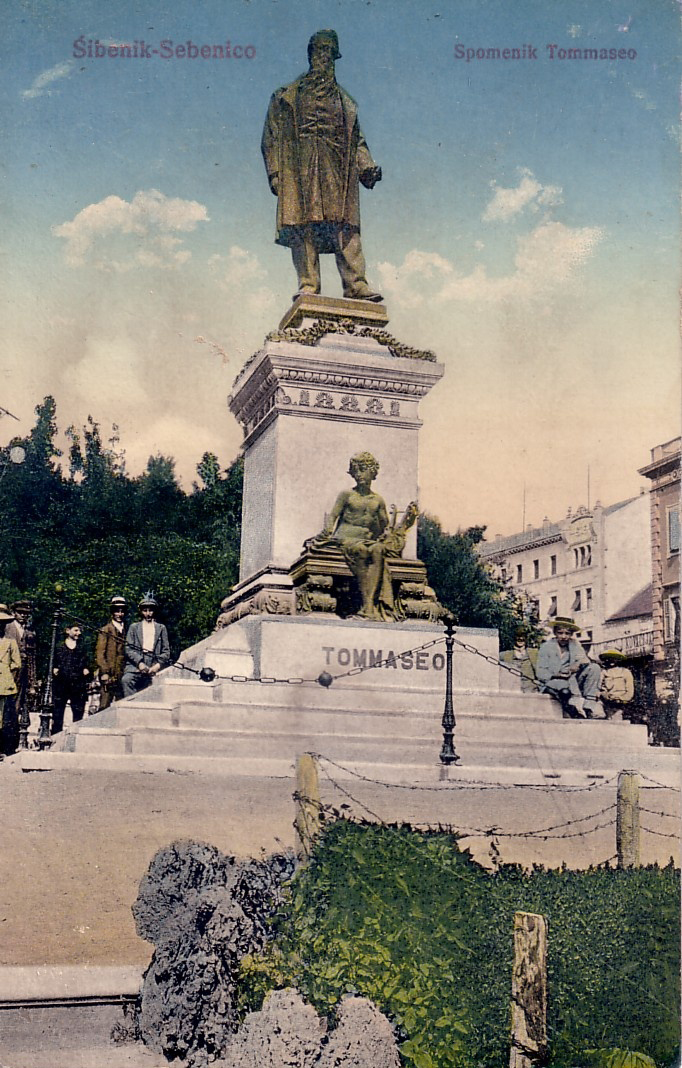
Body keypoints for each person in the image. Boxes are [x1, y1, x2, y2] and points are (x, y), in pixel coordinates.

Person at [262, 29, 383, 302]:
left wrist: (366, 167)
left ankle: (357, 285)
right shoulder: (285, 97)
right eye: (319, 50)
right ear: (310, 54)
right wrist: (275, 174)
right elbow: (270, 136)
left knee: (345, 226)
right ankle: (308, 284)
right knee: (303, 224)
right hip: (299, 168)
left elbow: (357, 139)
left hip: (337, 169)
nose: (324, 56)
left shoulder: (345, 102)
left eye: (329, 52)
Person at [307, 452, 417, 621]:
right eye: (355, 470)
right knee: (362, 550)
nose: (359, 474)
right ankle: (368, 608)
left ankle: (369, 607)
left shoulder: (378, 500)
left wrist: (399, 528)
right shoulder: (347, 495)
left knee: (378, 549)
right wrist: (327, 531)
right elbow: (333, 516)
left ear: (373, 472)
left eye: (363, 469)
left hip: (367, 541)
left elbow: (384, 528)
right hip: (345, 539)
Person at [536, 617, 603, 718]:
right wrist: (557, 674)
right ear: (555, 633)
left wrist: (578, 664)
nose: (564, 636)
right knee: (564, 688)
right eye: (560, 633)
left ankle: (589, 706)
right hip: (554, 681)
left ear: (571, 634)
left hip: (572, 679)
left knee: (595, 668)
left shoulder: (575, 644)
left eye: (567, 633)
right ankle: (574, 709)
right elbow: (540, 671)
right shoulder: (546, 647)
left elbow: (585, 660)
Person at [121, 593, 171, 698]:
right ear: (141, 611)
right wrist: (140, 663)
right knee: (126, 680)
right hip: (136, 665)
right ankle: (131, 708)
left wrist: (157, 665)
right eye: (145, 610)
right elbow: (128, 648)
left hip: (154, 663)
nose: (148, 614)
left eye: (150, 610)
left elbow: (166, 651)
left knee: (157, 688)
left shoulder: (161, 628)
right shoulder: (134, 627)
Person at [4, 599, 38, 752]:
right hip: (8, 673)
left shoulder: (30, 632)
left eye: (26, 613)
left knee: (18, 709)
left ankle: (12, 745)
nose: (23, 616)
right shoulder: (7, 628)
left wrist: (33, 682)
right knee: (7, 709)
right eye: (20, 613)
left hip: (23, 676)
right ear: (14, 613)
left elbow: (32, 659)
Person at [51, 622, 91, 735]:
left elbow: (89, 662)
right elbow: (52, 662)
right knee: (58, 711)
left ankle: (76, 735)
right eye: (76, 630)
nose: (79, 633)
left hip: (77, 683)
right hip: (61, 683)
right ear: (68, 631)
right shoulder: (59, 646)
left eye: (79, 631)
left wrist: (87, 669)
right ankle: (56, 736)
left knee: (78, 711)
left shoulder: (82, 647)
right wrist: (54, 669)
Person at [95, 596, 127, 711]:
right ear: (112, 612)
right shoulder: (106, 630)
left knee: (121, 705)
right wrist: (104, 672)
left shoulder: (127, 630)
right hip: (109, 673)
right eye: (117, 611)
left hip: (122, 673)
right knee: (104, 705)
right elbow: (100, 653)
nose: (120, 614)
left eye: (122, 611)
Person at [0, 605, 21, 758]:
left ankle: (3, 748)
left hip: (4, 683)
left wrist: (6, 670)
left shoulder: (10, 641)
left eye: (2, 623)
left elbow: (17, 663)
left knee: (4, 717)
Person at [598, 650, 635, 720]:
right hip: (608, 703)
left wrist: (621, 699)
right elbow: (601, 688)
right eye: (609, 658)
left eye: (614, 658)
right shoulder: (604, 672)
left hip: (621, 704)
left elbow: (630, 691)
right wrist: (606, 696)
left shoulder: (625, 672)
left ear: (618, 659)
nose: (611, 660)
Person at [500, 628, 539, 692]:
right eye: (518, 636)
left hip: (531, 690)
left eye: (523, 637)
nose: (520, 639)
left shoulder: (534, 653)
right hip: (512, 689)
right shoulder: (505, 655)